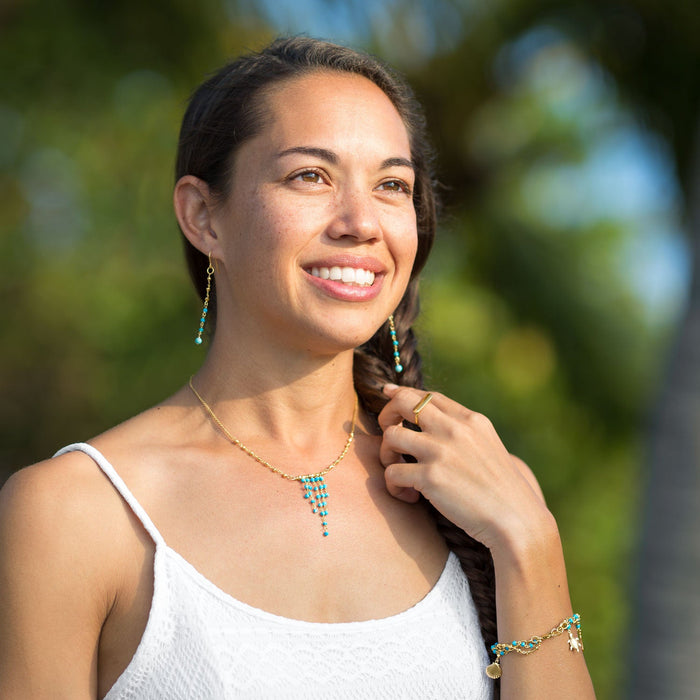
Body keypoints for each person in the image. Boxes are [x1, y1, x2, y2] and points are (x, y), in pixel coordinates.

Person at [0, 37, 595, 699]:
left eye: (392, 185)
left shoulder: (475, 489)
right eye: (310, 176)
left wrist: (529, 540)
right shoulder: (75, 512)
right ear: (204, 216)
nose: (362, 222)